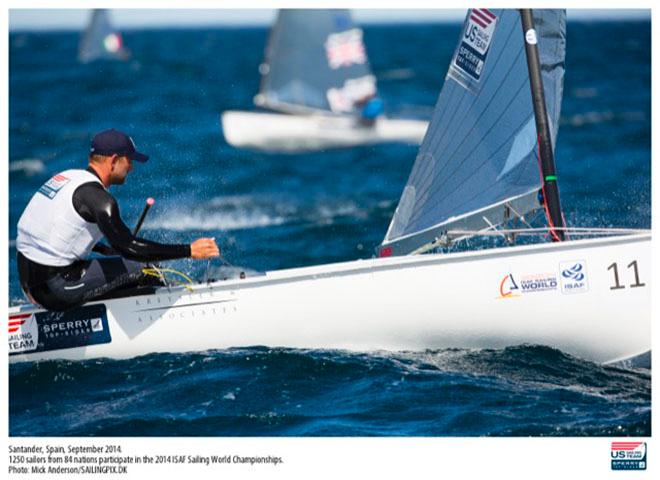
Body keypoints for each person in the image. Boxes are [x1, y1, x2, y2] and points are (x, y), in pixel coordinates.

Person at [16, 128, 220, 311]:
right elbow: (130, 248)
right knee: (146, 269)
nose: (131, 168)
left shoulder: (66, 178)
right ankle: (157, 313)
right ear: (114, 160)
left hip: (30, 286)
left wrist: (106, 249)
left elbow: (58, 233)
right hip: (55, 290)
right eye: (129, 161)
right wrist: (190, 251)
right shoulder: (101, 200)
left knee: (126, 264)